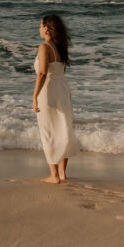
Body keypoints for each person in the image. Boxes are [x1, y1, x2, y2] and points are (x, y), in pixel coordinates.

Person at [32, 14, 80, 184]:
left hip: (49, 90)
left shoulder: (45, 47)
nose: (39, 29)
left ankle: (53, 176)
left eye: (40, 25)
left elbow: (43, 72)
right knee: (64, 128)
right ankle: (62, 172)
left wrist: (35, 95)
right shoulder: (60, 47)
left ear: (46, 28)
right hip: (63, 89)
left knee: (49, 131)